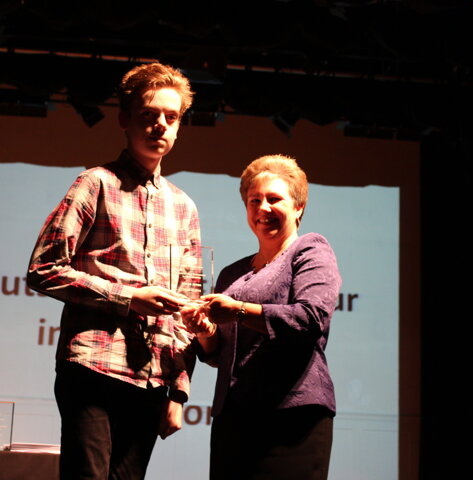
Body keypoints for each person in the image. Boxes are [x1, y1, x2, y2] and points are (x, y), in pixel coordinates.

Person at [27, 62, 201, 480]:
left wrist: (178, 392)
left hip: (150, 379)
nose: (160, 125)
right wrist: (128, 297)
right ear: (125, 119)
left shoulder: (184, 207)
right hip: (93, 365)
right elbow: (43, 268)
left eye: (171, 117)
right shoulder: (95, 184)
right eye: (148, 114)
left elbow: (188, 309)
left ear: (179, 126)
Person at [182, 154, 342, 480]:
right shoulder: (232, 273)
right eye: (254, 200)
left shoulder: (310, 249)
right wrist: (205, 331)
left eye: (274, 199)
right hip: (233, 420)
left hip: (291, 417)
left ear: (298, 208)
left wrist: (238, 310)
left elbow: (311, 318)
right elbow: (218, 355)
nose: (262, 208)